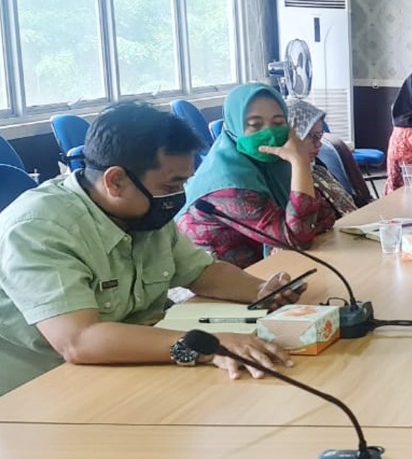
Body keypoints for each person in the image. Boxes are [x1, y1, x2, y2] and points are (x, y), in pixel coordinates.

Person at [0, 102, 299, 395]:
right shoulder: (39, 228)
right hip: (39, 389)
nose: (179, 196)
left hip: (128, 364)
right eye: (170, 187)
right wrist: (206, 345)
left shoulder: (140, 209)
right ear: (116, 181)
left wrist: (261, 292)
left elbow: (202, 272)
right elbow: (80, 340)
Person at [179, 83, 335, 269]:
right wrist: (300, 161)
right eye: (255, 125)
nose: (269, 133)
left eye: (278, 123)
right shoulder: (229, 183)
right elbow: (297, 240)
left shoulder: (277, 163)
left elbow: (325, 216)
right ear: (235, 127)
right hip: (218, 278)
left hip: (268, 270)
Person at [287, 98, 358, 221]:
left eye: (320, 136)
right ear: (293, 136)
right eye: (313, 137)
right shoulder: (286, 181)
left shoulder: (317, 168)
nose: (319, 144)